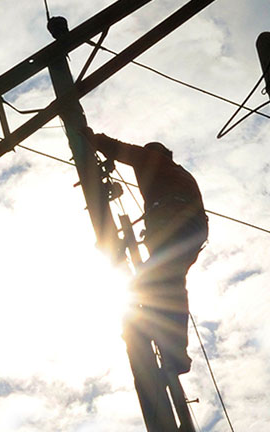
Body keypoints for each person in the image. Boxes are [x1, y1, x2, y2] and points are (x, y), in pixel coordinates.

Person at [87, 130, 208, 374]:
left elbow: (126, 151)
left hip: (176, 223)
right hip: (190, 229)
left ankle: (162, 342)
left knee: (154, 279)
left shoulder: (156, 162)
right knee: (168, 282)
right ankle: (170, 344)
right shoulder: (177, 173)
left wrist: (93, 139)